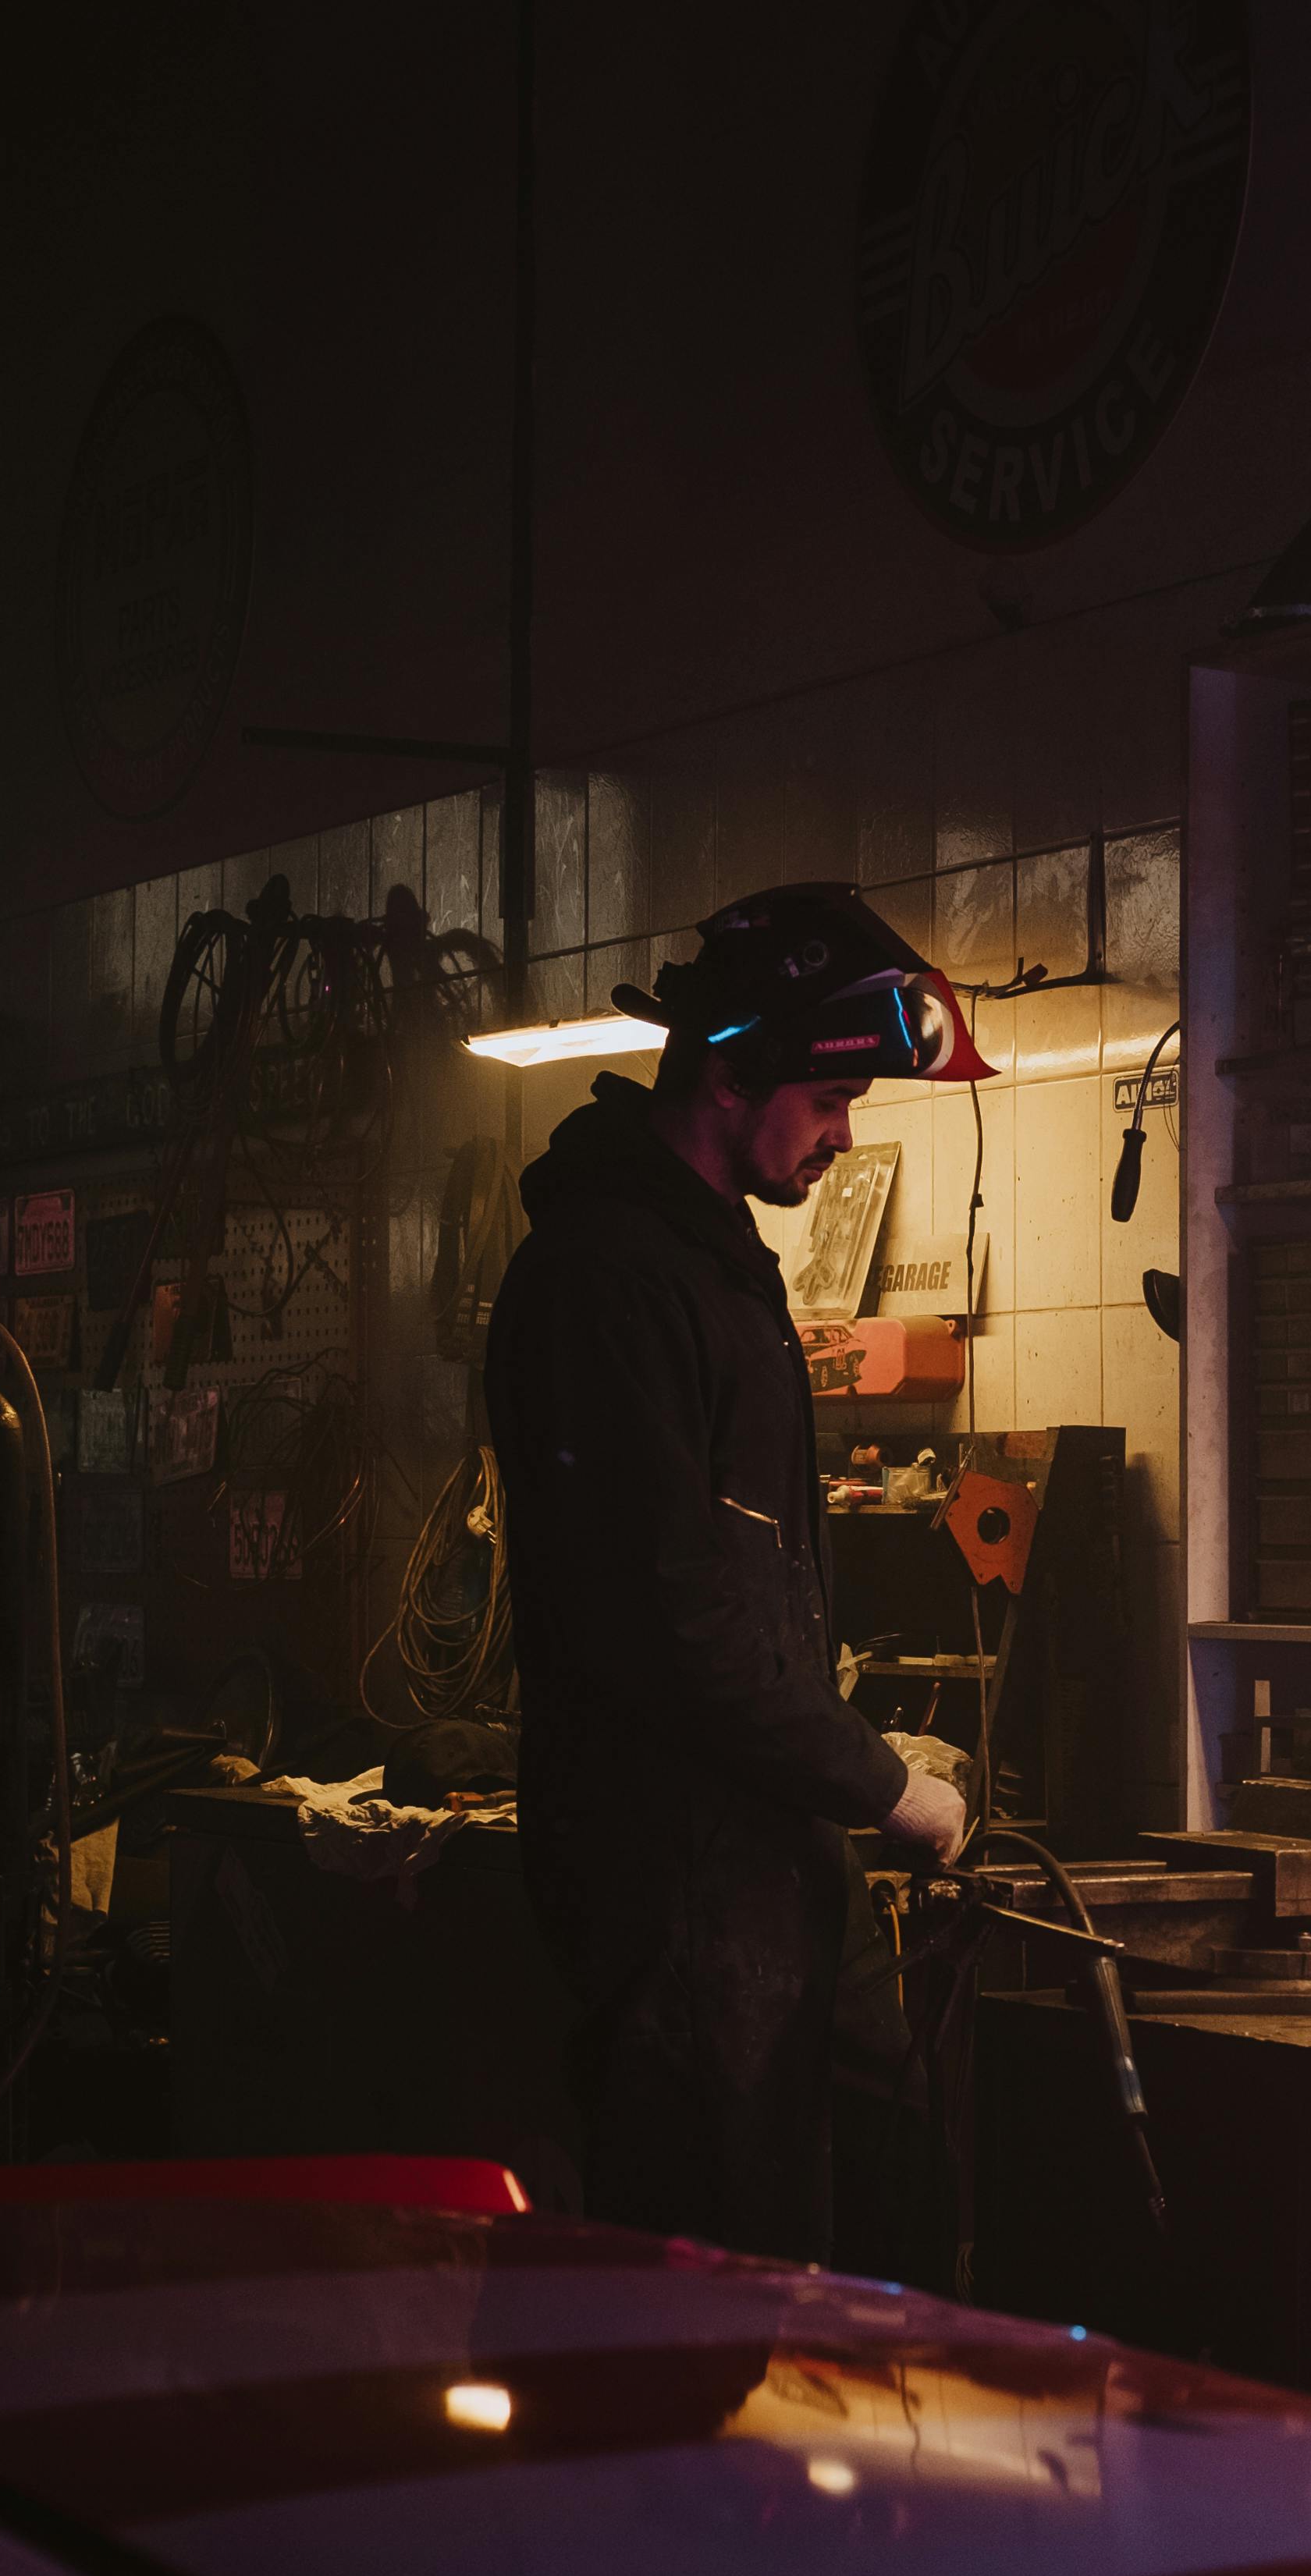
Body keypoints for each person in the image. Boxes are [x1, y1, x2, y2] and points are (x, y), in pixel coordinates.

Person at [484, 882, 980, 2260]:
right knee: (714, 2285)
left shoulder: (715, 1272)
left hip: (763, 1868)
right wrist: (882, 1783)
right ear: (725, 1077)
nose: (839, 1136)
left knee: (875, 2209)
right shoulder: (612, 1281)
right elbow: (677, 1622)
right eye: (827, 1103)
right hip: (675, 1896)